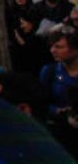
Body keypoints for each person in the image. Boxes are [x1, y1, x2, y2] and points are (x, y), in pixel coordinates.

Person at [39, 27, 78, 155]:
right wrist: (57, 111)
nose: (53, 50)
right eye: (52, 46)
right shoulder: (49, 72)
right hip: (61, 134)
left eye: (59, 47)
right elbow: (40, 103)